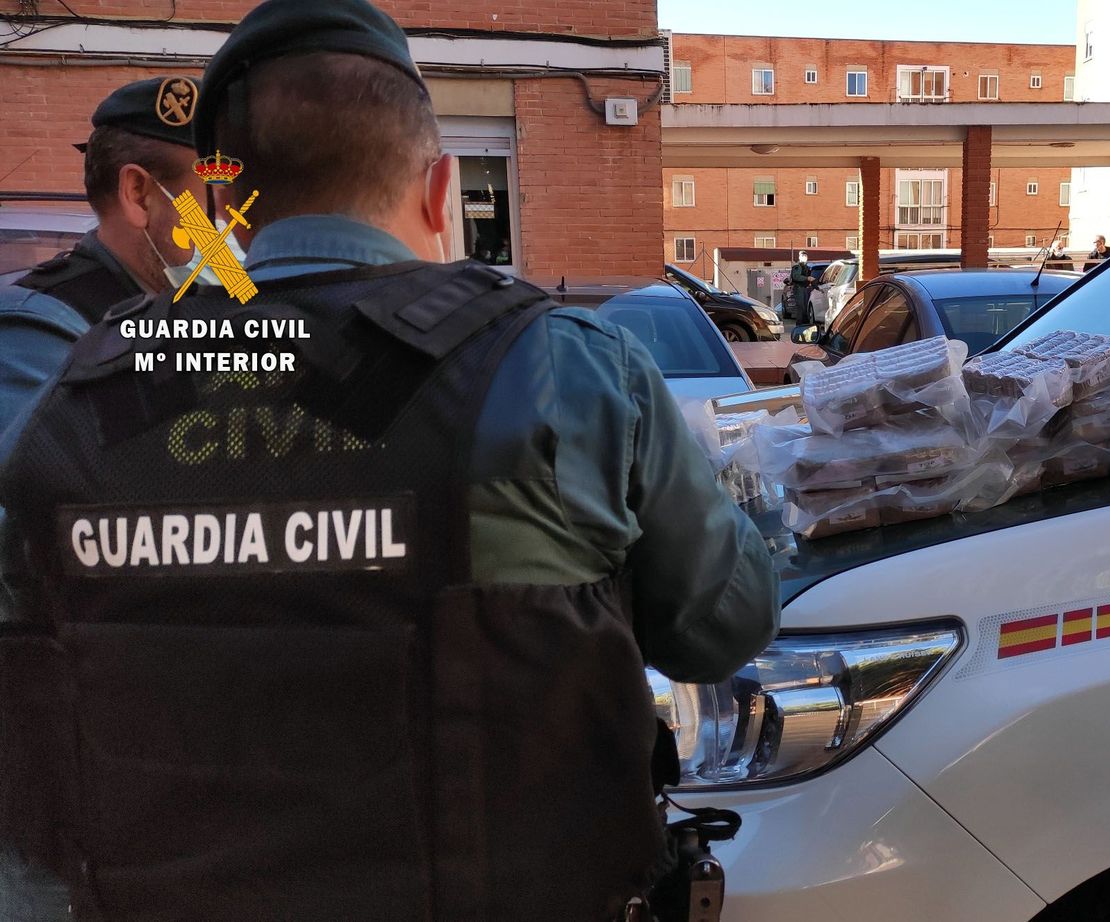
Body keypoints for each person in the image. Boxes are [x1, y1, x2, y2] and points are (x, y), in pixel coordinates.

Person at [0, 1, 779, 919]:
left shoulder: (89, 390)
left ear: (226, 206)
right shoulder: (561, 364)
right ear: (443, 188)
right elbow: (721, 627)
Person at [0, 77, 205, 436]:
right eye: (218, 194)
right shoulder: (43, 333)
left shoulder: (196, 306)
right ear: (139, 195)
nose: (239, 219)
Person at [789, 250, 814, 324]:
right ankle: (800, 325)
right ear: (799, 257)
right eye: (803, 256)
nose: (804, 258)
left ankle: (805, 324)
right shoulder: (797, 267)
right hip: (799, 288)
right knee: (801, 307)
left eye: (805, 256)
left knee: (806, 307)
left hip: (805, 288)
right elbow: (796, 276)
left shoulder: (806, 267)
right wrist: (807, 278)